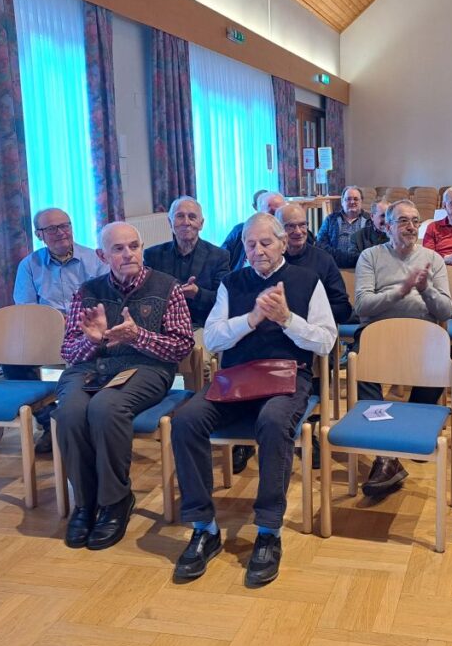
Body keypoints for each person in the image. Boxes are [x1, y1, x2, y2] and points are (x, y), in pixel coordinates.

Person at [169, 213, 336, 587]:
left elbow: (326, 342)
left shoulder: (308, 282)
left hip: (287, 376)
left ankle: (267, 531)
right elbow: (211, 340)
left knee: (274, 422)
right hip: (236, 380)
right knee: (186, 420)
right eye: (250, 244)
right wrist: (253, 317)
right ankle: (204, 527)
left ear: (282, 243)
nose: (257, 250)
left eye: (266, 243)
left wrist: (287, 318)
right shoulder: (232, 283)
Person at [54, 222, 194, 550]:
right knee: (70, 411)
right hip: (91, 368)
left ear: (142, 248)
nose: (128, 253)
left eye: (134, 246)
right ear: (103, 255)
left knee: (105, 407)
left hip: (145, 368)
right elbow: (68, 351)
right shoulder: (87, 291)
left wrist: (138, 336)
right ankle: (85, 504)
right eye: (118, 249)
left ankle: (115, 501)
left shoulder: (167, 287)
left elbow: (182, 346)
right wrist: (92, 341)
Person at [226, 202, 352, 476]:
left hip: (302, 347)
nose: (297, 231)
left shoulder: (320, 261)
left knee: (311, 363)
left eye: (302, 225)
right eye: (290, 226)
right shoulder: (255, 262)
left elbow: (343, 307)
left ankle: (312, 426)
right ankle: (246, 438)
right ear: (281, 234)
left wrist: (305, 309)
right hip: (255, 354)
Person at [354, 199, 452, 496]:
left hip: (422, 334)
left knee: (441, 354)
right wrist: (400, 291)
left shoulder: (433, 259)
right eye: (402, 221)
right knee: (362, 351)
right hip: (378, 334)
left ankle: (398, 442)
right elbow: (361, 306)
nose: (411, 227)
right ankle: (387, 454)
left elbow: (446, 310)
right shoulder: (370, 256)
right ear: (386, 226)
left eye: (415, 220)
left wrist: (425, 289)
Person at [10, 207, 108, 453]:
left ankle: (90, 423)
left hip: (88, 329)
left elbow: (108, 299)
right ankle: (49, 422)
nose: (61, 232)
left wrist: (79, 320)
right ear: (39, 234)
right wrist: (54, 321)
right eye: (52, 229)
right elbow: (26, 308)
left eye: (65, 225)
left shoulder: (95, 259)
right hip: (46, 332)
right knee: (13, 360)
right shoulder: (29, 265)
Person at [142, 196, 230, 329]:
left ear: (201, 224)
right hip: (164, 327)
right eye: (180, 216)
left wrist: (197, 293)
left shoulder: (219, 256)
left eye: (192, 217)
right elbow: (146, 296)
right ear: (170, 222)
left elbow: (224, 300)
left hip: (202, 325)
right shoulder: (153, 255)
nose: (186, 222)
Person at [221, 191, 292, 271]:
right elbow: (222, 259)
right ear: (258, 211)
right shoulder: (240, 230)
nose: (275, 219)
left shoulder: (293, 234)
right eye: (271, 214)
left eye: (279, 215)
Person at [316, 186, 370, 268]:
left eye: (356, 199)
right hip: (334, 266)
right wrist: (340, 257)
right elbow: (320, 244)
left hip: (362, 267)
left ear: (361, 201)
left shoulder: (370, 221)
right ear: (342, 202)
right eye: (348, 199)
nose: (352, 202)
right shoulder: (331, 219)